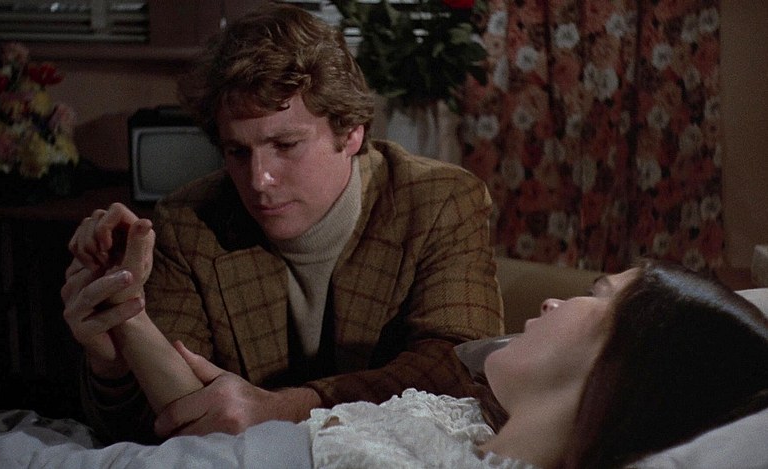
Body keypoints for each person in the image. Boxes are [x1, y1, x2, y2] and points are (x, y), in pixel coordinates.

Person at [62, 2, 502, 444]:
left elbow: (460, 369)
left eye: (286, 145)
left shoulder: (440, 200)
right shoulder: (189, 223)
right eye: (238, 152)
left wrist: (289, 409)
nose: (259, 180)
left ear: (351, 133)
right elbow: (167, 423)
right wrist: (117, 350)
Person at [58, 259, 768, 468]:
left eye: (597, 294)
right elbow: (208, 435)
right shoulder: (463, 421)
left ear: (624, 358)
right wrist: (126, 313)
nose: (555, 300)